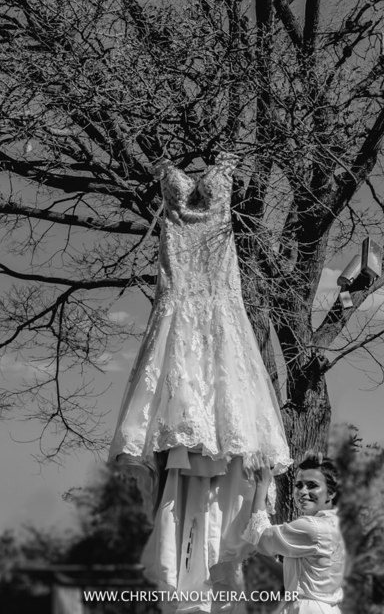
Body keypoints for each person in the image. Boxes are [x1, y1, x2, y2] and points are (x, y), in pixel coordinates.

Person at [110, 153, 291, 613]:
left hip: (216, 294)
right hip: (181, 295)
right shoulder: (177, 189)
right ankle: (190, 583)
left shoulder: (223, 183)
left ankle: (208, 578)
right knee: (195, 430)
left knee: (216, 430)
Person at [242, 454, 347, 614]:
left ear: (331, 493)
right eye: (299, 485)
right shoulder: (338, 526)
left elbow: (261, 537)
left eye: (312, 485)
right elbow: (303, 574)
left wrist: (262, 486)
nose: (303, 491)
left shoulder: (312, 528)